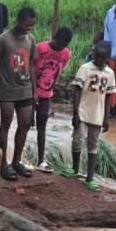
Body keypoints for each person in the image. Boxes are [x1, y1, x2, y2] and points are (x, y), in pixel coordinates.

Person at [0, 7, 37, 180]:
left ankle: (16, 161)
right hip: (6, 88)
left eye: (32, 26)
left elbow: (30, 65)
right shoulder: (3, 39)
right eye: (27, 25)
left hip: (24, 88)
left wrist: (34, 90)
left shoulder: (30, 39)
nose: (29, 29)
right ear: (19, 21)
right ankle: (2, 163)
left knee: (25, 124)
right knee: (6, 122)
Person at [62, 41, 116, 191]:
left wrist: (106, 118)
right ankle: (75, 168)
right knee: (77, 139)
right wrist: (75, 113)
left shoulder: (110, 73)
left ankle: (90, 177)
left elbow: (108, 97)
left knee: (93, 143)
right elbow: (77, 91)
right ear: (93, 54)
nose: (98, 60)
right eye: (96, 57)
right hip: (83, 111)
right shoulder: (85, 68)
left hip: (98, 114)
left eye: (102, 58)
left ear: (107, 58)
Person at [32, 27, 72, 172]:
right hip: (31, 93)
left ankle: (41, 161)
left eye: (63, 45)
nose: (59, 47)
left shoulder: (66, 54)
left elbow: (57, 71)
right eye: (57, 43)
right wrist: (32, 90)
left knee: (42, 126)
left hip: (46, 96)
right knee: (25, 124)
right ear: (53, 37)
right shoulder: (40, 48)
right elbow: (30, 66)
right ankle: (16, 159)